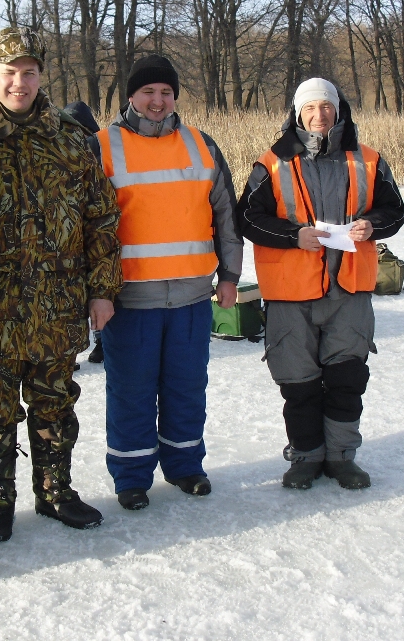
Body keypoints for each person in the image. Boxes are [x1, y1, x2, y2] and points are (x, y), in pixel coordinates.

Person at [0, 28, 122, 542]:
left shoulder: (71, 139)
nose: (19, 82)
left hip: (59, 301)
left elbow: (102, 219)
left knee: (55, 402)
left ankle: (55, 492)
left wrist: (102, 290)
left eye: (29, 72)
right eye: (9, 72)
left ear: (42, 75)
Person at [90, 54, 243, 511]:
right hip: (130, 299)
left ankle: (185, 466)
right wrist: (97, 293)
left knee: (186, 386)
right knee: (131, 391)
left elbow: (226, 217)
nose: (157, 101)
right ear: (130, 96)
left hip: (193, 297)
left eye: (166, 92)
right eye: (147, 92)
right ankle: (132, 476)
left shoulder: (201, 145)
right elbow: (88, 226)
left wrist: (230, 275)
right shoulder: (101, 146)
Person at [236, 78, 404, 492]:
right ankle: (306, 456)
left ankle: (342, 457)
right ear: (297, 114)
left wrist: (373, 224)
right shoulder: (272, 163)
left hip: (349, 290)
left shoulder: (367, 159)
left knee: (348, 378)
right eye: (310, 108)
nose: (319, 115)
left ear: (338, 110)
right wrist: (294, 235)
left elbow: (394, 211)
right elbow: (247, 218)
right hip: (290, 293)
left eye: (326, 107)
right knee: (298, 382)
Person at [65, 100, 106, 366]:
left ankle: (102, 341)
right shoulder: (59, 154)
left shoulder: (102, 153)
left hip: (96, 237)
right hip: (69, 239)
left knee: (101, 291)